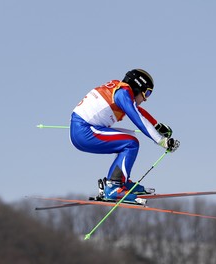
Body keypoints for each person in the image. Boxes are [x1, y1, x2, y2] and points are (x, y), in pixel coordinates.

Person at [70, 69, 180, 204]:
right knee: (130, 143)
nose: (145, 99)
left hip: (83, 129)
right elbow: (137, 117)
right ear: (137, 87)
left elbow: (137, 110)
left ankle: (121, 181)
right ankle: (113, 187)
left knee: (130, 136)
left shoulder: (120, 90)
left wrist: (156, 125)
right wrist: (162, 141)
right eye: (147, 93)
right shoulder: (123, 93)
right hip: (85, 131)